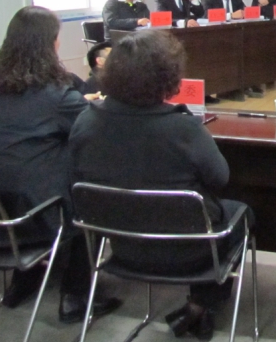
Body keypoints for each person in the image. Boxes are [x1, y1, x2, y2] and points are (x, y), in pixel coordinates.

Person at [70, 29, 252, 340]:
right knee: (241, 213)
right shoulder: (183, 128)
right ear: (168, 75)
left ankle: (198, 307)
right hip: (188, 252)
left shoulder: (85, 121)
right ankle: (200, 305)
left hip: (122, 246)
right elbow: (220, 178)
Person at [0, 6, 120, 321]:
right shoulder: (57, 95)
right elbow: (95, 130)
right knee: (89, 200)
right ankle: (75, 299)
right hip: (37, 212)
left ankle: (24, 281)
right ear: (50, 44)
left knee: (33, 178)